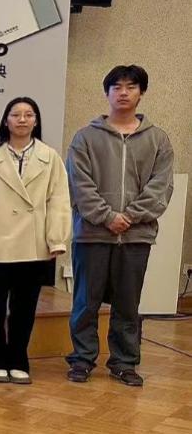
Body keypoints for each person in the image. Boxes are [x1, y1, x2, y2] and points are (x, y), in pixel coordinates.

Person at [65, 65, 174, 387]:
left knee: (128, 304)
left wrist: (131, 216)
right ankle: (82, 359)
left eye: (131, 86)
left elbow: (161, 186)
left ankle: (124, 362)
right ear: (107, 92)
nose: (123, 92)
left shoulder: (157, 139)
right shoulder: (85, 137)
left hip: (136, 236)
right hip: (92, 234)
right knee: (86, 302)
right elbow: (79, 184)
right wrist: (107, 216)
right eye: (117, 86)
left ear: (142, 92)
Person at [0, 97, 71, 384]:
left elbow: (59, 201)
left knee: (24, 309)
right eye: (15, 114)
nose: (22, 119)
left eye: (28, 114)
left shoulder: (49, 157)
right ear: (6, 120)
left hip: (33, 243)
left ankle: (18, 359)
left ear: (36, 121)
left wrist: (56, 238)